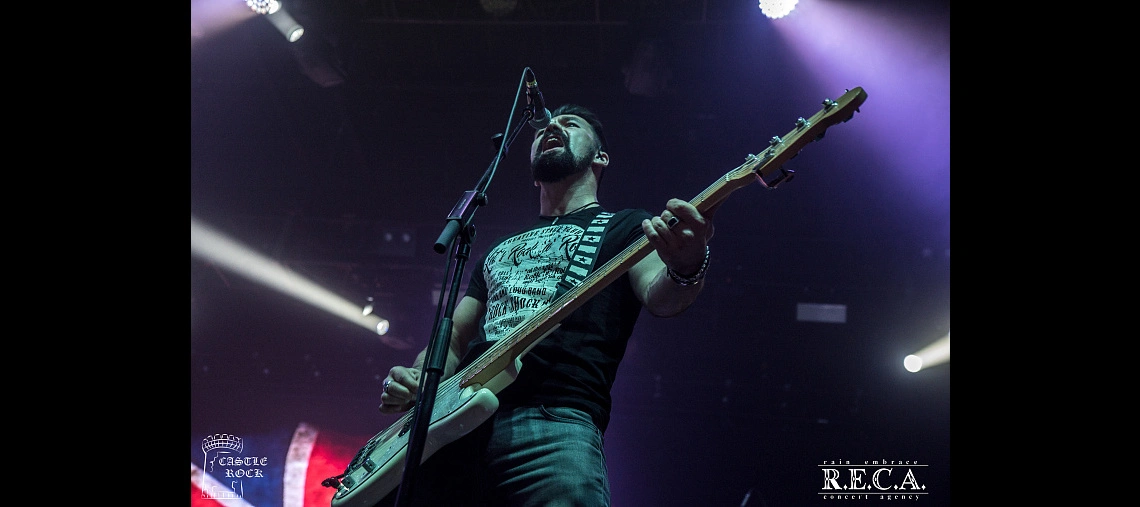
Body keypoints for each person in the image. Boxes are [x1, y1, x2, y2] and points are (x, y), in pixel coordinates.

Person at [375, 103, 717, 506]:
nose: (552, 125)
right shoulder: (497, 250)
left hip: (554, 421)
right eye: (543, 128)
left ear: (601, 157)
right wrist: (419, 376)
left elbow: (663, 297)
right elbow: (453, 339)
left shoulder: (626, 226)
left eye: (571, 124)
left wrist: (687, 265)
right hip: (454, 428)